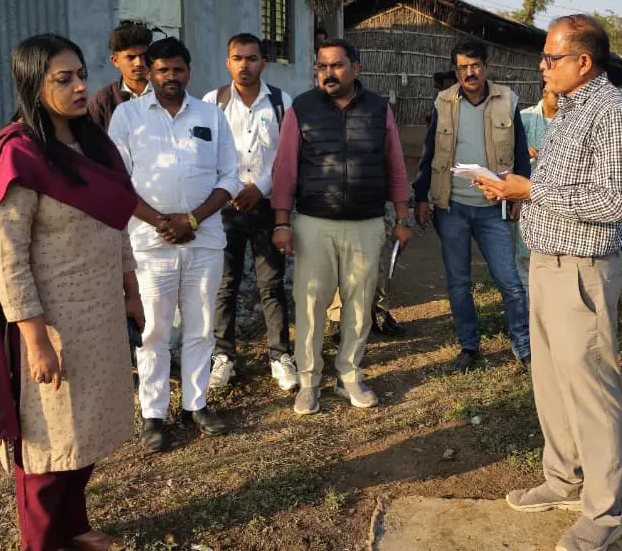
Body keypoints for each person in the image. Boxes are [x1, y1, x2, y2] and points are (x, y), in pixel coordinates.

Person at [476, 15, 622, 551]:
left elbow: (613, 204)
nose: (542, 66)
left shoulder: (615, 114)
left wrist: (532, 192)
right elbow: (555, 185)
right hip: (547, 263)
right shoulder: (568, 111)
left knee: (592, 392)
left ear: (583, 62)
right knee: (549, 381)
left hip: (582, 270)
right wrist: (512, 190)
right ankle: (564, 480)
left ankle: (605, 513)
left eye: (551, 57)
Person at [0, 34, 144, 551]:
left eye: (81, 75)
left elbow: (116, 222)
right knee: (48, 445)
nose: (79, 87)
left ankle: (75, 528)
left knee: (84, 432)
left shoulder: (92, 145)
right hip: (52, 323)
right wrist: (35, 338)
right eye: (63, 79)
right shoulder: (20, 156)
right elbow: (9, 260)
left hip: (100, 315)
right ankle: (43, 542)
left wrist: (130, 286)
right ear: (33, 84)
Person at [108, 37, 241, 450]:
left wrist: (194, 220)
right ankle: (154, 415)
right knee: (154, 331)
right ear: (149, 72)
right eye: (162, 70)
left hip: (204, 241)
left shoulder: (210, 115)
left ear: (190, 71)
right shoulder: (127, 117)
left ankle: (196, 404)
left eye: (178, 69)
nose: (171, 77)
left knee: (201, 326)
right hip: (151, 242)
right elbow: (117, 182)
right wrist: (162, 222)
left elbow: (229, 176)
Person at [270, 38, 412, 416]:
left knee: (360, 303)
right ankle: (309, 380)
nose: (328, 73)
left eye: (336, 65)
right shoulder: (302, 109)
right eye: (321, 66)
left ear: (356, 68)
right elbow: (284, 170)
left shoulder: (378, 109)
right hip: (314, 223)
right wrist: (282, 222)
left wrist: (401, 217)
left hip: (366, 224)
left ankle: (349, 374)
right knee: (312, 303)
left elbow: (395, 166)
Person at [413, 39, 531, 372]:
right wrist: (421, 197)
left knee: (508, 280)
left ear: (486, 66)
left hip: (493, 207)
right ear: (455, 70)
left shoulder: (507, 100)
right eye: (463, 67)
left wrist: (519, 194)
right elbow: (428, 153)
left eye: (476, 65)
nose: (470, 72)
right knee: (459, 282)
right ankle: (469, 347)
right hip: (452, 207)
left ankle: (524, 348)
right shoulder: (443, 102)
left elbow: (521, 152)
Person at [202, 33, 297, 392]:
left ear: (263, 63)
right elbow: (205, 155)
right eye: (237, 58)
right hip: (223, 209)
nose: (245, 65)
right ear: (228, 62)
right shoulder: (213, 102)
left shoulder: (279, 102)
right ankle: (223, 356)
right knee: (224, 285)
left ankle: (279, 355)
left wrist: (260, 188)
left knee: (271, 284)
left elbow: (285, 157)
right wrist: (230, 189)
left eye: (252, 58)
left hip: (265, 206)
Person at [512, 79, 559, 292]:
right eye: (555, 94)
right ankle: (527, 308)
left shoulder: (569, 121)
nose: (561, 100)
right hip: (527, 199)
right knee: (525, 254)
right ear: (543, 91)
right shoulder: (525, 119)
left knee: (554, 257)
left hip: (557, 199)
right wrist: (522, 153)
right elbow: (505, 154)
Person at [87, 20, 153, 130]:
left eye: (143, 55)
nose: (139, 63)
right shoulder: (102, 102)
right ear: (115, 61)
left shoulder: (165, 94)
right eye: (130, 57)